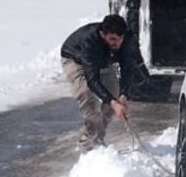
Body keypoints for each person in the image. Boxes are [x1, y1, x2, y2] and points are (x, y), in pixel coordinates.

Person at [60, 14, 148, 151]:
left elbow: (128, 68)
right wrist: (112, 101)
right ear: (102, 34)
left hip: (105, 60)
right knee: (87, 98)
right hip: (76, 59)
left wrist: (123, 95)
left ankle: (97, 138)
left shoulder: (128, 38)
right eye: (112, 39)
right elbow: (92, 78)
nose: (117, 43)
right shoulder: (90, 41)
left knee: (114, 95)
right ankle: (87, 142)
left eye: (120, 39)